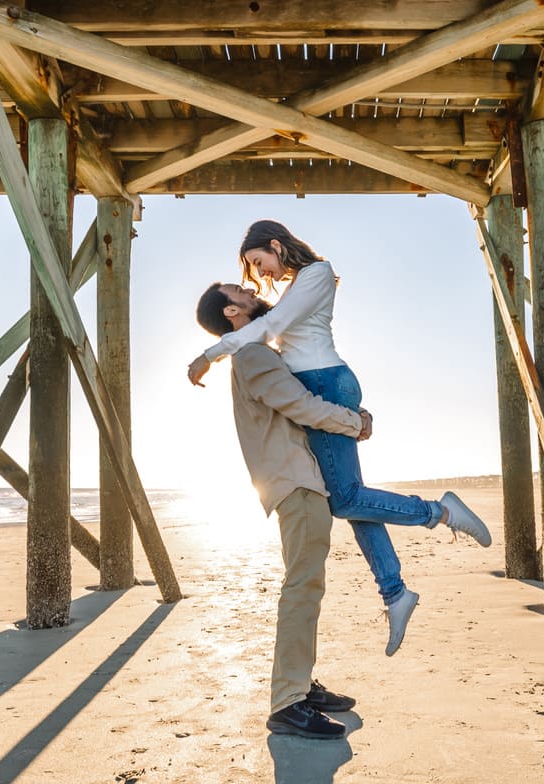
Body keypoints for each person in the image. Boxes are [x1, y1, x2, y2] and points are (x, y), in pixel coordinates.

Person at [189, 219, 492, 658]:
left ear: (276, 244)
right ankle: (395, 592)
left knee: (343, 499)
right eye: (252, 272)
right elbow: (269, 333)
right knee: (350, 496)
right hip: (322, 384)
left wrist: (208, 355)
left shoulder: (315, 274)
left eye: (260, 263)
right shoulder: (295, 286)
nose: (261, 276)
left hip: (325, 382)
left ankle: (440, 513)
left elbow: (268, 331)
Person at [195, 281, 366, 740]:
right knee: (301, 589)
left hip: (294, 481)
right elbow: (299, 405)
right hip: (296, 484)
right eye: (240, 290)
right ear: (233, 311)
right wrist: (354, 423)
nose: (251, 288)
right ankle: (289, 702)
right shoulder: (252, 355)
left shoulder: (251, 352)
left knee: (306, 588)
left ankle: (299, 685)